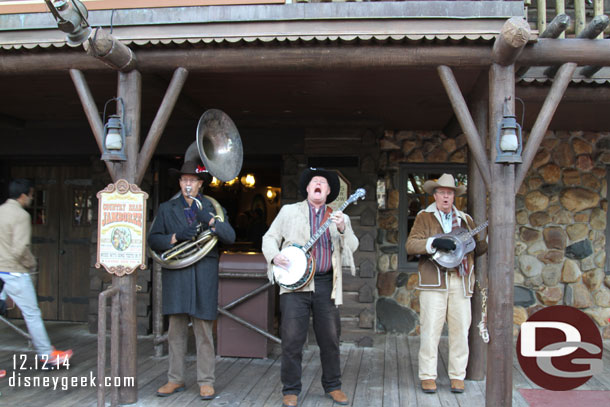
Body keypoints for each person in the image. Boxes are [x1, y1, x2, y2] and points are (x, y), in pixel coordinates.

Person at [262, 167, 358, 407]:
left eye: (323, 183)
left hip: (326, 284)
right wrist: (274, 256)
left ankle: (333, 386)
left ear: (328, 192)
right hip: (295, 286)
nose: (318, 184)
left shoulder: (339, 216)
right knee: (292, 339)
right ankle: (291, 390)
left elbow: (353, 247)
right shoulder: (288, 211)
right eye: (314, 181)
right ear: (307, 188)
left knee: (330, 339)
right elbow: (269, 238)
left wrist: (343, 229)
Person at [148, 161, 235, 400]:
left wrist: (209, 220)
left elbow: (229, 236)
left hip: (203, 274)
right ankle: (174, 380)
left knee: (204, 332)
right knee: (175, 332)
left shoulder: (211, 207)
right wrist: (177, 237)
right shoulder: (167, 208)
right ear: (179, 183)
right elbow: (153, 240)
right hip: (177, 275)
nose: (188, 184)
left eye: (192, 181)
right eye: (184, 180)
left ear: (200, 184)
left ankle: (206, 381)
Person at [406, 173, 487, 394]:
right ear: (435, 195)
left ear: (454, 197)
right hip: (434, 281)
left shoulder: (465, 220)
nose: (445, 197)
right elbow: (411, 245)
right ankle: (428, 376)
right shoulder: (424, 217)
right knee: (431, 330)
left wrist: (482, 241)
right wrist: (434, 242)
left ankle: (457, 376)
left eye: (449, 193)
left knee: (461, 330)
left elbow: (477, 249)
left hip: (460, 281)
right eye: (442, 192)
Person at [0, 179, 73, 367]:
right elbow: (20, 249)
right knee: (32, 314)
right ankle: (47, 355)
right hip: (14, 273)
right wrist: (32, 264)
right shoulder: (21, 215)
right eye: (31, 194)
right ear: (23, 195)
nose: (32, 198)